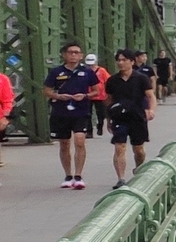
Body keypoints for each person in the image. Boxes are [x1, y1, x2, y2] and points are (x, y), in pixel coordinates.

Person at [43, 42, 96, 189]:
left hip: (81, 110)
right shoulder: (56, 72)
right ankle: (68, 175)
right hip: (61, 111)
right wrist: (58, 96)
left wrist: (85, 95)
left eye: (76, 52)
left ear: (81, 56)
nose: (73, 55)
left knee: (79, 140)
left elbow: (97, 91)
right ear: (64, 55)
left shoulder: (87, 72)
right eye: (70, 52)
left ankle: (78, 176)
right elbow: (46, 90)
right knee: (64, 143)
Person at [104, 49, 155, 188]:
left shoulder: (141, 79)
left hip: (137, 117)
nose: (121, 63)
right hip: (119, 117)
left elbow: (151, 96)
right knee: (119, 147)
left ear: (132, 62)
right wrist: (108, 119)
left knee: (139, 150)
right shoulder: (112, 80)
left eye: (124, 60)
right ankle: (121, 179)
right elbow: (108, 100)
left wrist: (151, 110)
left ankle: (139, 168)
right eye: (118, 60)